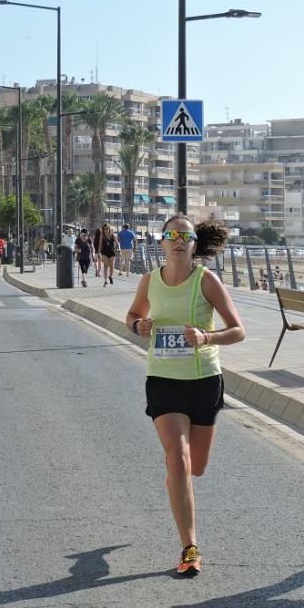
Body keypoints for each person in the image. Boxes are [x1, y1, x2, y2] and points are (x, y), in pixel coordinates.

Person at [125, 215, 245, 576]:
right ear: (161, 242)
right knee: (177, 458)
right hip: (163, 378)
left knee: (197, 467)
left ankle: (177, 480)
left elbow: (238, 330)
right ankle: (189, 547)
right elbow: (131, 315)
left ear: (195, 243)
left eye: (185, 235)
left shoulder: (206, 281)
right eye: (171, 235)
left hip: (203, 380)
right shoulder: (149, 282)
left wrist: (207, 337)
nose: (178, 240)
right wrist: (138, 325)